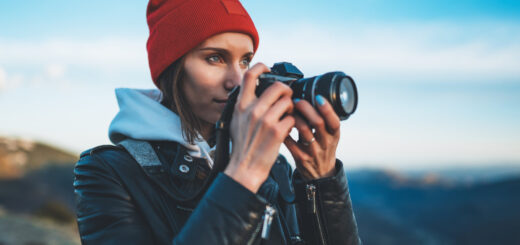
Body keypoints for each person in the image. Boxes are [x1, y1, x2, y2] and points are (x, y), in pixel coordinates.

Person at [73, 0, 361, 244]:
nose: (237, 81)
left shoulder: (275, 167)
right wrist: (243, 176)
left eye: (245, 61)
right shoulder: (107, 172)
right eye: (215, 58)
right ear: (171, 69)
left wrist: (321, 181)